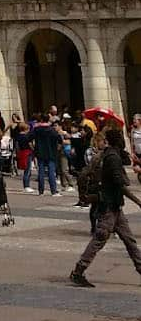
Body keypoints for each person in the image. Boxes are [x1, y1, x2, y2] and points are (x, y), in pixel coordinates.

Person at [70, 127, 141, 287]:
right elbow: (119, 184)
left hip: (114, 205)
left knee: (129, 240)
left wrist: (83, 197)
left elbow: (83, 175)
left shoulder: (106, 156)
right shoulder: (112, 158)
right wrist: (137, 201)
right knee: (99, 239)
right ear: (118, 141)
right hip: (108, 205)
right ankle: (78, 271)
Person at [29, 116, 62, 197]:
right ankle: (53, 191)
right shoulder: (52, 130)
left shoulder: (37, 130)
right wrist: (57, 149)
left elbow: (28, 138)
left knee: (41, 172)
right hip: (51, 152)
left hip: (40, 152)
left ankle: (41, 191)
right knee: (51, 172)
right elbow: (60, 140)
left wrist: (33, 148)